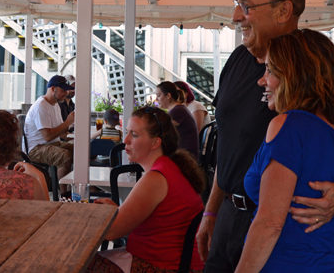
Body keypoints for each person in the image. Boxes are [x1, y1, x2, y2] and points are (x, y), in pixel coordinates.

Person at [196, 0, 334, 272]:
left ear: (283, 10)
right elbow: (228, 145)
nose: (235, 16)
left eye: (246, 6)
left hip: (281, 232)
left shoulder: (316, 75)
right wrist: (211, 212)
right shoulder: (236, 61)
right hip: (229, 216)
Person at [235, 29, 334, 272]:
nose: (262, 80)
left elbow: (269, 224)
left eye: (270, 70)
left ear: (294, 75)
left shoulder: (288, 125)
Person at [88, 107, 205, 272]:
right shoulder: (170, 167)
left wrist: (95, 214)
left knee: (73, 262)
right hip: (173, 263)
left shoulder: (156, 178)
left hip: (160, 266)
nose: (126, 140)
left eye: (134, 135)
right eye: (127, 132)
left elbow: (112, 232)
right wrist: (116, 211)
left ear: (155, 142)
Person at [24, 75, 75, 180]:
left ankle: (76, 186)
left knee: (81, 149)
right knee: (64, 156)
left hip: (51, 143)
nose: (66, 93)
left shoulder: (55, 104)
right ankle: (64, 194)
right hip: (36, 148)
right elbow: (47, 136)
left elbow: (61, 132)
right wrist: (67, 122)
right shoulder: (41, 106)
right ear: (53, 89)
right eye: (63, 90)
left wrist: (74, 136)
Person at [155, 81, 199, 160]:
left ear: (168, 96)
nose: (156, 99)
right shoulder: (179, 109)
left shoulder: (178, 111)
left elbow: (160, 131)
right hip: (183, 155)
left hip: (185, 159)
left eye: (158, 95)